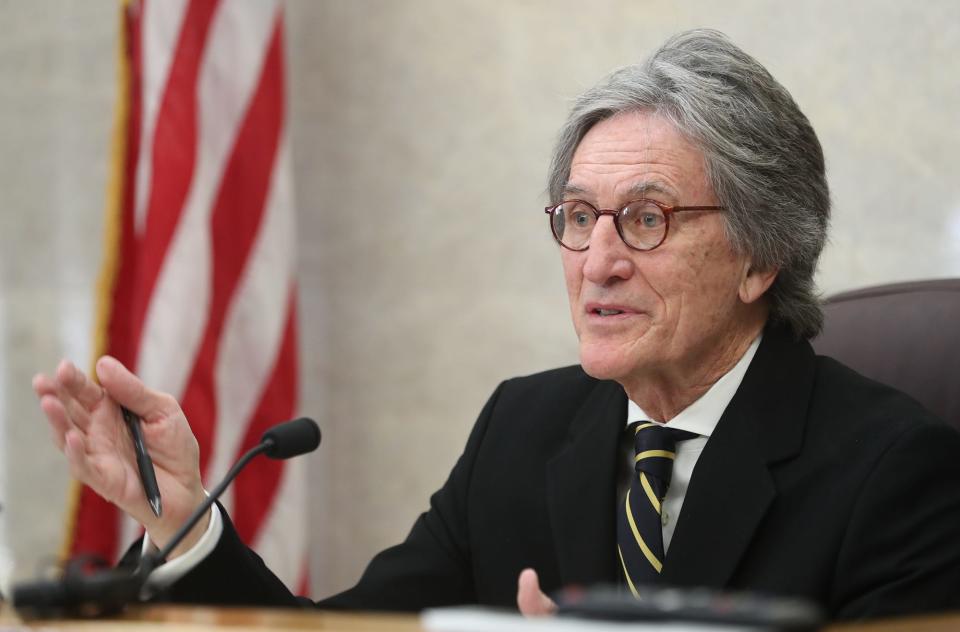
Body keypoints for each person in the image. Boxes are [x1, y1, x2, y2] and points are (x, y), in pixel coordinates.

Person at [34, 29, 960, 620]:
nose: (597, 260)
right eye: (577, 216)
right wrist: (186, 523)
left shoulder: (894, 472)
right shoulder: (523, 429)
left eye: (646, 219)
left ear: (762, 256)